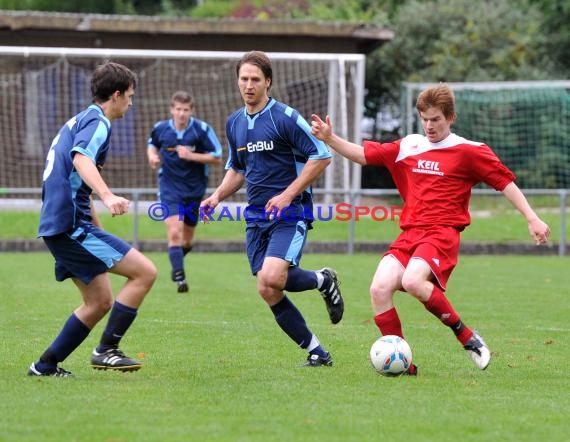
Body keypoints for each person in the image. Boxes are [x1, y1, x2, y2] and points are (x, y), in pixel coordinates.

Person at [311, 83, 550, 374]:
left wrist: (532, 217)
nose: (429, 125)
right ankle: (403, 366)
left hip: (442, 233)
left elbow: (505, 183)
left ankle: (468, 337)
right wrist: (330, 137)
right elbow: (363, 155)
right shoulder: (409, 146)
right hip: (410, 234)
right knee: (379, 288)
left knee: (413, 281)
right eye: (425, 119)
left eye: (435, 119)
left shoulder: (469, 151)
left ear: (450, 118)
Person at [200, 50, 344, 367]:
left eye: (255, 79)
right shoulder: (234, 122)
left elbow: (321, 156)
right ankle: (317, 350)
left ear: (268, 82)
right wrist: (217, 196)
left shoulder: (285, 118)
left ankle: (323, 281)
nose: (248, 85)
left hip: (290, 213)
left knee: (272, 275)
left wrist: (287, 195)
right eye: (243, 79)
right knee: (268, 288)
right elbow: (238, 169)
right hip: (256, 217)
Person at [28, 62, 157, 377]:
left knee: (99, 301)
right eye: (129, 96)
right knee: (145, 272)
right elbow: (81, 159)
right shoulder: (98, 122)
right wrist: (109, 195)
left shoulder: (80, 120)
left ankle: (45, 366)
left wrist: (96, 227)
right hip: (68, 226)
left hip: (63, 224)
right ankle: (106, 350)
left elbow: (77, 186)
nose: (131, 102)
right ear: (115, 95)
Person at [147, 90, 223, 293]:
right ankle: (180, 278)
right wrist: (152, 157)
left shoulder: (201, 130)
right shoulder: (161, 129)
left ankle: (177, 260)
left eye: (186, 110)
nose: (181, 114)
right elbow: (152, 145)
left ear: (191, 111)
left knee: (187, 240)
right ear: (172, 109)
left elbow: (217, 157)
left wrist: (191, 155)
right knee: (174, 232)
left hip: (194, 190)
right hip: (170, 188)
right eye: (178, 109)